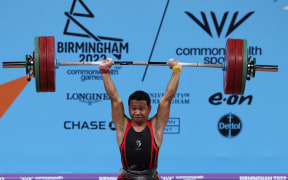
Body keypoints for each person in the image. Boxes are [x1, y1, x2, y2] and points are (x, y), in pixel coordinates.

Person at [99, 58, 182, 180]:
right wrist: (105, 71)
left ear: (149, 109)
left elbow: (167, 99)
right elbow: (114, 98)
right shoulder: (122, 125)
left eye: (141, 109)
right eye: (133, 108)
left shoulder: (156, 126)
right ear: (128, 108)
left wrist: (176, 71)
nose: (137, 112)